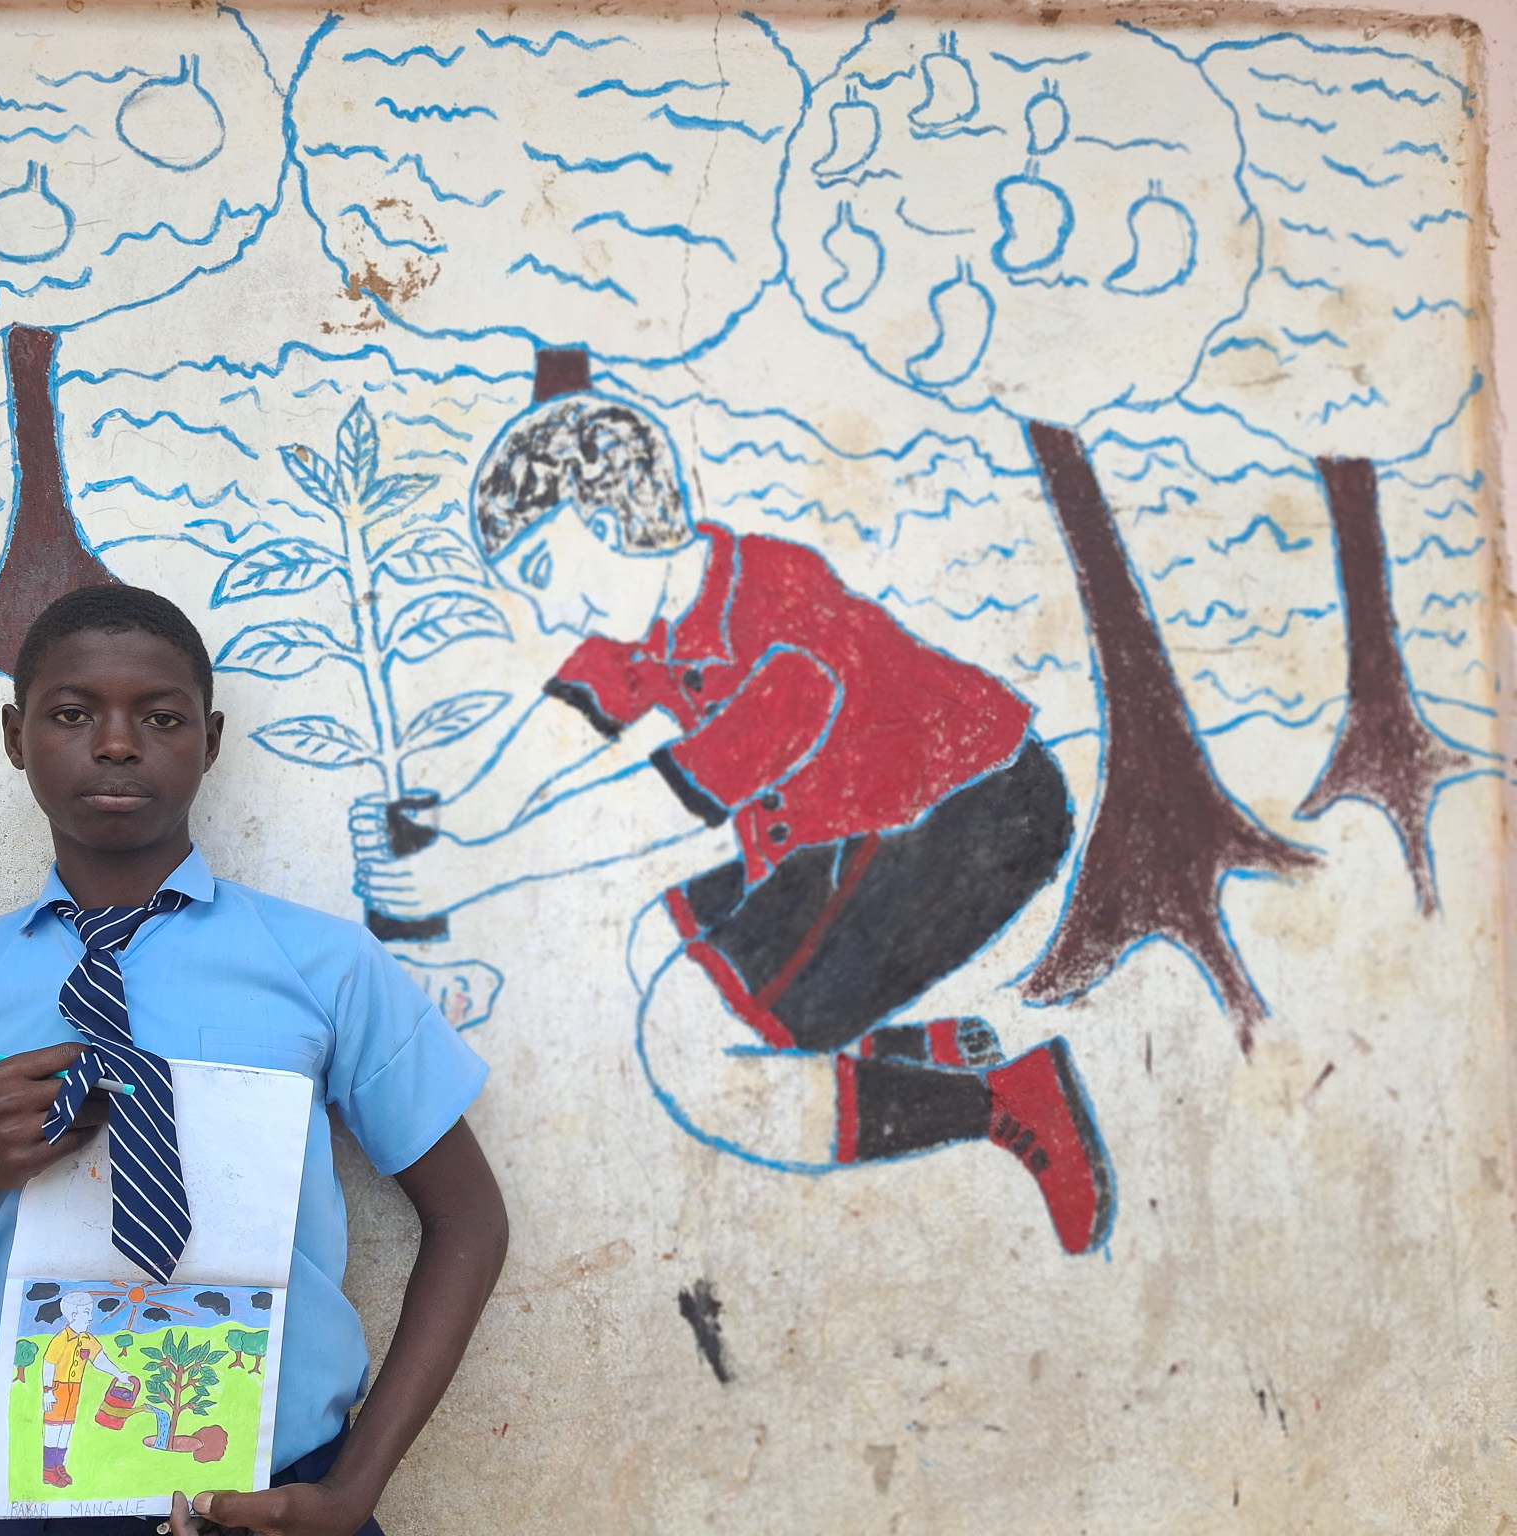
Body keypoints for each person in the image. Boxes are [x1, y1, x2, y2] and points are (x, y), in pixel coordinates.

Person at [0, 585, 508, 1536]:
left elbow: (469, 1218)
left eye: (162, 717)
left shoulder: (321, 965)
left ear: (210, 741)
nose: (117, 743)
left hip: (285, 1491)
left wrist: (353, 1489)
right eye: (71, 713)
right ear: (16, 737)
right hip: (51, 1501)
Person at [352, 392, 1113, 1255]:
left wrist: (468, 873)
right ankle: (894, 1047)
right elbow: (556, 729)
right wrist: (448, 821)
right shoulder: (656, 606)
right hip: (836, 833)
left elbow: (670, 807)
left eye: (538, 572)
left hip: (970, 816)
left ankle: (1006, 1100)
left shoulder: (782, 616)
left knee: (697, 1056)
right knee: (654, 948)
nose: (549, 613)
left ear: (603, 522)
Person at [40, 1292, 127, 1488]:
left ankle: (58, 1467)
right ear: (73, 1315)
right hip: (57, 1389)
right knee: (53, 1430)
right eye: (86, 1313)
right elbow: (48, 1364)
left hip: (74, 1390)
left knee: (66, 1430)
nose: (90, 1317)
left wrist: (119, 1374)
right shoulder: (60, 1339)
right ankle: (48, 1470)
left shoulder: (88, 1339)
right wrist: (47, 1391)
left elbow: (100, 1360)